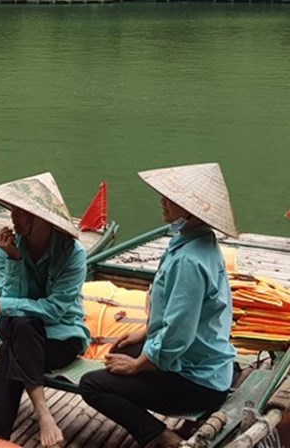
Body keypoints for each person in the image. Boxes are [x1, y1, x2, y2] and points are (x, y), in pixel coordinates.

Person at [79, 163, 237, 448]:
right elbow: (175, 312)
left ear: (190, 211)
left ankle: (161, 438)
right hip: (205, 364)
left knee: (92, 385)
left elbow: (179, 332)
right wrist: (144, 332)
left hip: (198, 382)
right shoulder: (195, 241)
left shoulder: (189, 260)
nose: (162, 201)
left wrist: (140, 365)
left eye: (171, 199)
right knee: (122, 350)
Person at [0, 172, 90, 448]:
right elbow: (10, 304)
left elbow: (54, 310)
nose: (14, 218)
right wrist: (15, 259)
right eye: (14, 211)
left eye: (23, 213)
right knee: (20, 327)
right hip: (21, 332)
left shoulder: (72, 254)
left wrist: (3, 305)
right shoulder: (6, 248)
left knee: (11, 346)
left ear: (43, 220)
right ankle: (44, 415)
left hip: (61, 338)